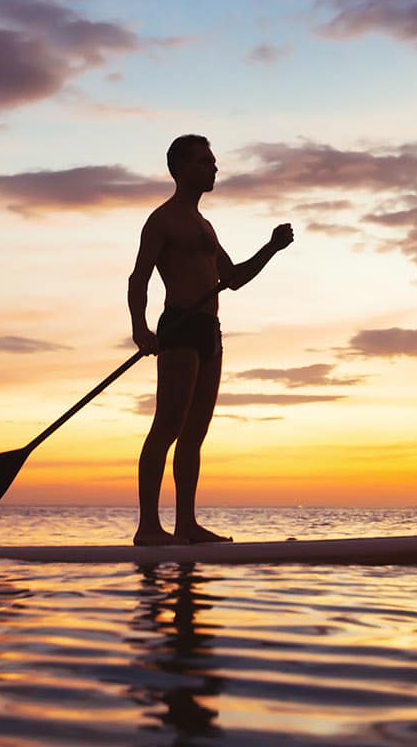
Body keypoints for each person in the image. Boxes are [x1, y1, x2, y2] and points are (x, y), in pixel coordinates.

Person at [127, 134, 293, 545]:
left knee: (195, 433)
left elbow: (232, 279)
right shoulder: (162, 220)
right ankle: (149, 527)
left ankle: (186, 525)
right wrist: (140, 329)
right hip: (179, 327)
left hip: (209, 333)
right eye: (204, 161)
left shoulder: (205, 226)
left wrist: (270, 248)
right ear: (180, 168)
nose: (214, 168)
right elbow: (139, 277)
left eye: (213, 161)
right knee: (167, 426)